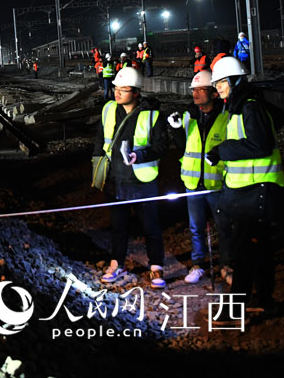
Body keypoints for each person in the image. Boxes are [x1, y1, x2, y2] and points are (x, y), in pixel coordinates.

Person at [207, 56, 283, 317]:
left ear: (234, 81)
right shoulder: (243, 106)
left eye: (221, 82)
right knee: (259, 250)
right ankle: (265, 300)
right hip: (250, 192)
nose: (217, 87)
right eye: (216, 83)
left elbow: (260, 145)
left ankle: (232, 312)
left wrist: (220, 150)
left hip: (256, 192)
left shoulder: (249, 107)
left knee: (244, 253)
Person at [95, 66, 168, 288]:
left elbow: (161, 146)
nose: (116, 93)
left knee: (151, 226)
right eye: (116, 88)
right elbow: (100, 141)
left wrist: (141, 155)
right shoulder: (109, 110)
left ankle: (156, 267)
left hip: (142, 181)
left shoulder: (152, 115)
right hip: (116, 180)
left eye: (123, 90)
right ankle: (116, 264)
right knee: (119, 226)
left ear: (135, 92)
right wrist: (97, 171)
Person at [167, 70, 226, 284]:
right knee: (196, 227)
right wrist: (175, 130)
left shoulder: (225, 117)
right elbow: (183, 146)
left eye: (201, 89)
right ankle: (198, 264)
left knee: (224, 226)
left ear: (214, 93)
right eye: (194, 90)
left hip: (217, 182)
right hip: (193, 182)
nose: (196, 94)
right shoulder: (188, 116)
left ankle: (227, 266)